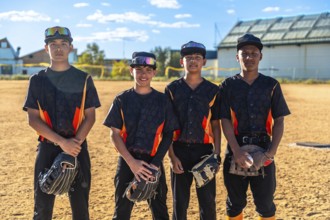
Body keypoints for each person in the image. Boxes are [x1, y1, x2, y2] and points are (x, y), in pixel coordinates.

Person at [23, 26, 101, 220]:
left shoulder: (83, 79)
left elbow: (90, 116)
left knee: (81, 209)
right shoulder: (37, 80)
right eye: (53, 44)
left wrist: (73, 144)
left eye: (63, 44)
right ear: (45, 48)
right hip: (48, 147)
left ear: (71, 47)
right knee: (41, 209)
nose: (58, 48)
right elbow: (33, 118)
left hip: (77, 147)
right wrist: (61, 142)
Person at [219, 33, 290, 220]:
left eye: (254, 53)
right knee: (234, 204)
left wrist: (270, 154)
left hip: (264, 148)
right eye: (244, 53)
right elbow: (224, 119)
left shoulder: (271, 85)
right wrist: (236, 151)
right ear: (237, 57)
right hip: (236, 148)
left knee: (266, 204)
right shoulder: (227, 86)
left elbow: (279, 120)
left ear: (260, 56)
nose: (249, 57)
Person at [103, 52, 178, 220]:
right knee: (121, 212)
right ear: (131, 71)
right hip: (127, 161)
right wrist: (131, 162)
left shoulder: (162, 100)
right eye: (139, 69)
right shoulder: (122, 99)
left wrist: (155, 164)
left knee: (160, 211)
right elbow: (114, 134)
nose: (143, 74)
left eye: (148, 69)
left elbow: (168, 134)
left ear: (154, 73)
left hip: (153, 161)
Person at [165, 41, 221, 220]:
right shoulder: (172, 89)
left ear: (204, 61)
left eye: (197, 57)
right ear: (182, 62)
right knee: (179, 203)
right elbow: (167, 127)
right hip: (179, 150)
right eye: (188, 57)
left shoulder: (213, 90)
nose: (193, 61)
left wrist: (217, 154)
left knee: (207, 202)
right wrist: (172, 157)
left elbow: (215, 124)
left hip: (204, 152)